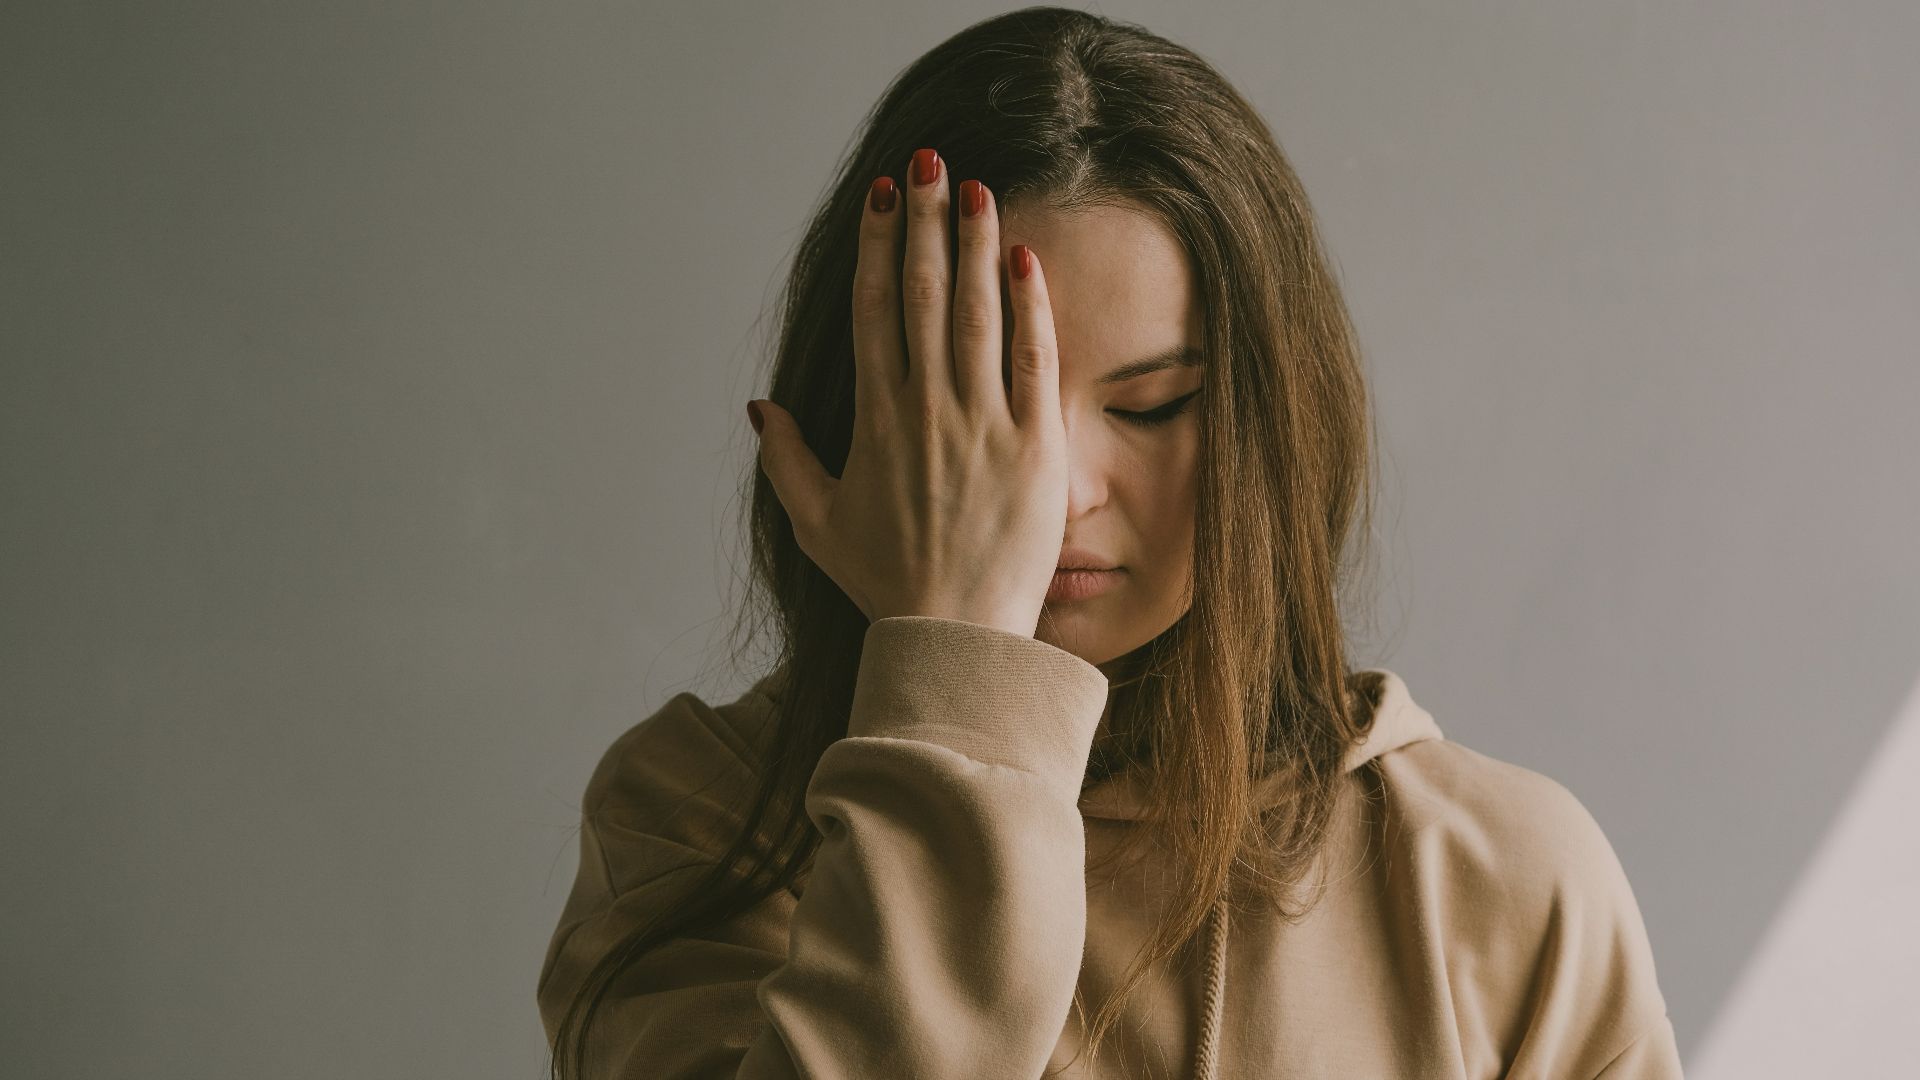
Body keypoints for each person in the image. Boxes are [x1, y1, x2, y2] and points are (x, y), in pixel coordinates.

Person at [536, 7, 1681, 1078]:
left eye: (1151, 407)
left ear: (1275, 424)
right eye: (985, 402)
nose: (1063, 490)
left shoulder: (1499, 880)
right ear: (859, 406)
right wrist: (959, 675)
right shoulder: (692, 821)